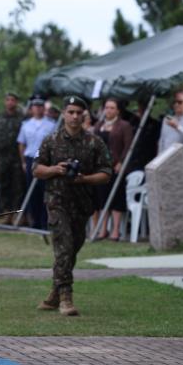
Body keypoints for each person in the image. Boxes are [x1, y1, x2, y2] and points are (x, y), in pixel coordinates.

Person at [33, 96, 112, 316]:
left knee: (71, 250)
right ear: (64, 114)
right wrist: (55, 169)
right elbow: (36, 169)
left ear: (84, 115)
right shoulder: (51, 140)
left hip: (82, 204)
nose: (75, 116)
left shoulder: (94, 142)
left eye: (79, 112)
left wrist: (85, 178)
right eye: (71, 112)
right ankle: (66, 298)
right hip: (56, 202)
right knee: (64, 247)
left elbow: (106, 173)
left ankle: (54, 293)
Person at [92, 98, 133, 241]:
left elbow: (128, 146)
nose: (108, 110)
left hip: (115, 166)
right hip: (100, 167)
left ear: (118, 111)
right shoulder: (99, 125)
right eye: (107, 107)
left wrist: (121, 162)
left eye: (112, 108)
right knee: (102, 197)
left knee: (116, 197)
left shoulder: (124, 126)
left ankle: (115, 230)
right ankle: (103, 229)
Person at [18, 98, 56, 229]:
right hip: (30, 159)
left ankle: (45, 221)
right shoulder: (26, 124)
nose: (38, 108)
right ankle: (34, 221)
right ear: (32, 108)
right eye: (36, 106)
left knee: (44, 190)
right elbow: (21, 144)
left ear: (44, 108)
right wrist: (23, 162)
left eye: (40, 106)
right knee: (31, 191)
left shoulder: (51, 124)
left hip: (45, 161)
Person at [0, 93, 25, 223]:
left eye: (13, 100)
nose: (10, 102)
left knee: (18, 187)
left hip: (17, 158)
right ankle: (7, 214)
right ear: (5, 102)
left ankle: (17, 214)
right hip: (3, 158)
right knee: (4, 186)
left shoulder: (22, 118)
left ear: (16, 102)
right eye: (8, 100)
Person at [158, 90, 183, 165]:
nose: (176, 104)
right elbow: (162, 140)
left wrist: (178, 127)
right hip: (167, 158)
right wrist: (159, 159)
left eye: (180, 102)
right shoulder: (167, 118)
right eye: (174, 102)